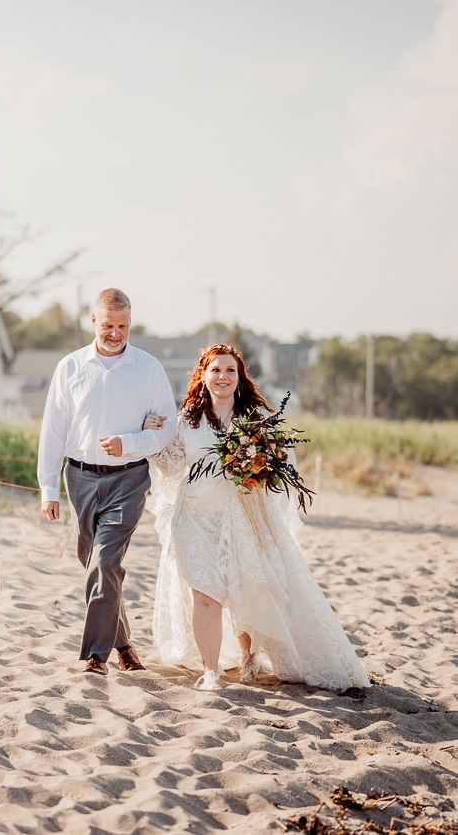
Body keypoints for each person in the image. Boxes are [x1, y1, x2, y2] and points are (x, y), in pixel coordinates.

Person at [145, 344, 370, 692]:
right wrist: (152, 436)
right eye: (215, 370)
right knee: (205, 594)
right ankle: (211, 671)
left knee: (245, 589)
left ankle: (249, 656)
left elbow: (281, 463)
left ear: (240, 377)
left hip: (242, 516)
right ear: (202, 376)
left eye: (230, 370)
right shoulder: (188, 418)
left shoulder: (258, 417)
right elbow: (174, 465)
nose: (222, 377)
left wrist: (254, 467)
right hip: (194, 518)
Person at [38, 288, 177, 676]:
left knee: (104, 561)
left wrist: (128, 443)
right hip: (79, 478)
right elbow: (52, 431)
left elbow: (167, 429)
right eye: (109, 325)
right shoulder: (69, 367)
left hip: (129, 480)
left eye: (124, 325)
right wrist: (48, 488)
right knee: (98, 568)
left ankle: (96, 656)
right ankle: (124, 645)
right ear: (94, 321)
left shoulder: (149, 369)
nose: (116, 333)